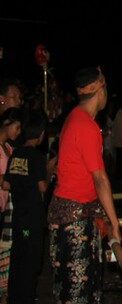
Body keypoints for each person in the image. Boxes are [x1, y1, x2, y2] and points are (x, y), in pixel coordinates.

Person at [49, 67, 122, 304]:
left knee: (70, 289)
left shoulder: (75, 117)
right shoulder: (86, 126)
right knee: (78, 291)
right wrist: (115, 222)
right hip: (75, 221)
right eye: (106, 87)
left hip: (71, 216)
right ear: (99, 90)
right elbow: (100, 178)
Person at [3, 110, 47, 304]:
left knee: (17, 261)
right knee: (30, 263)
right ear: (41, 134)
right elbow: (42, 187)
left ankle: (14, 298)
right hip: (32, 221)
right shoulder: (36, 156)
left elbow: (7, 184)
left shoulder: (16, 154)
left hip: (18, 218)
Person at [0, 109, 22, 302]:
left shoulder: (9, 147)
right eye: (17, 126)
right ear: (7, 123)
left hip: (7, 206)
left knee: (6, 253)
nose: (19, 131)